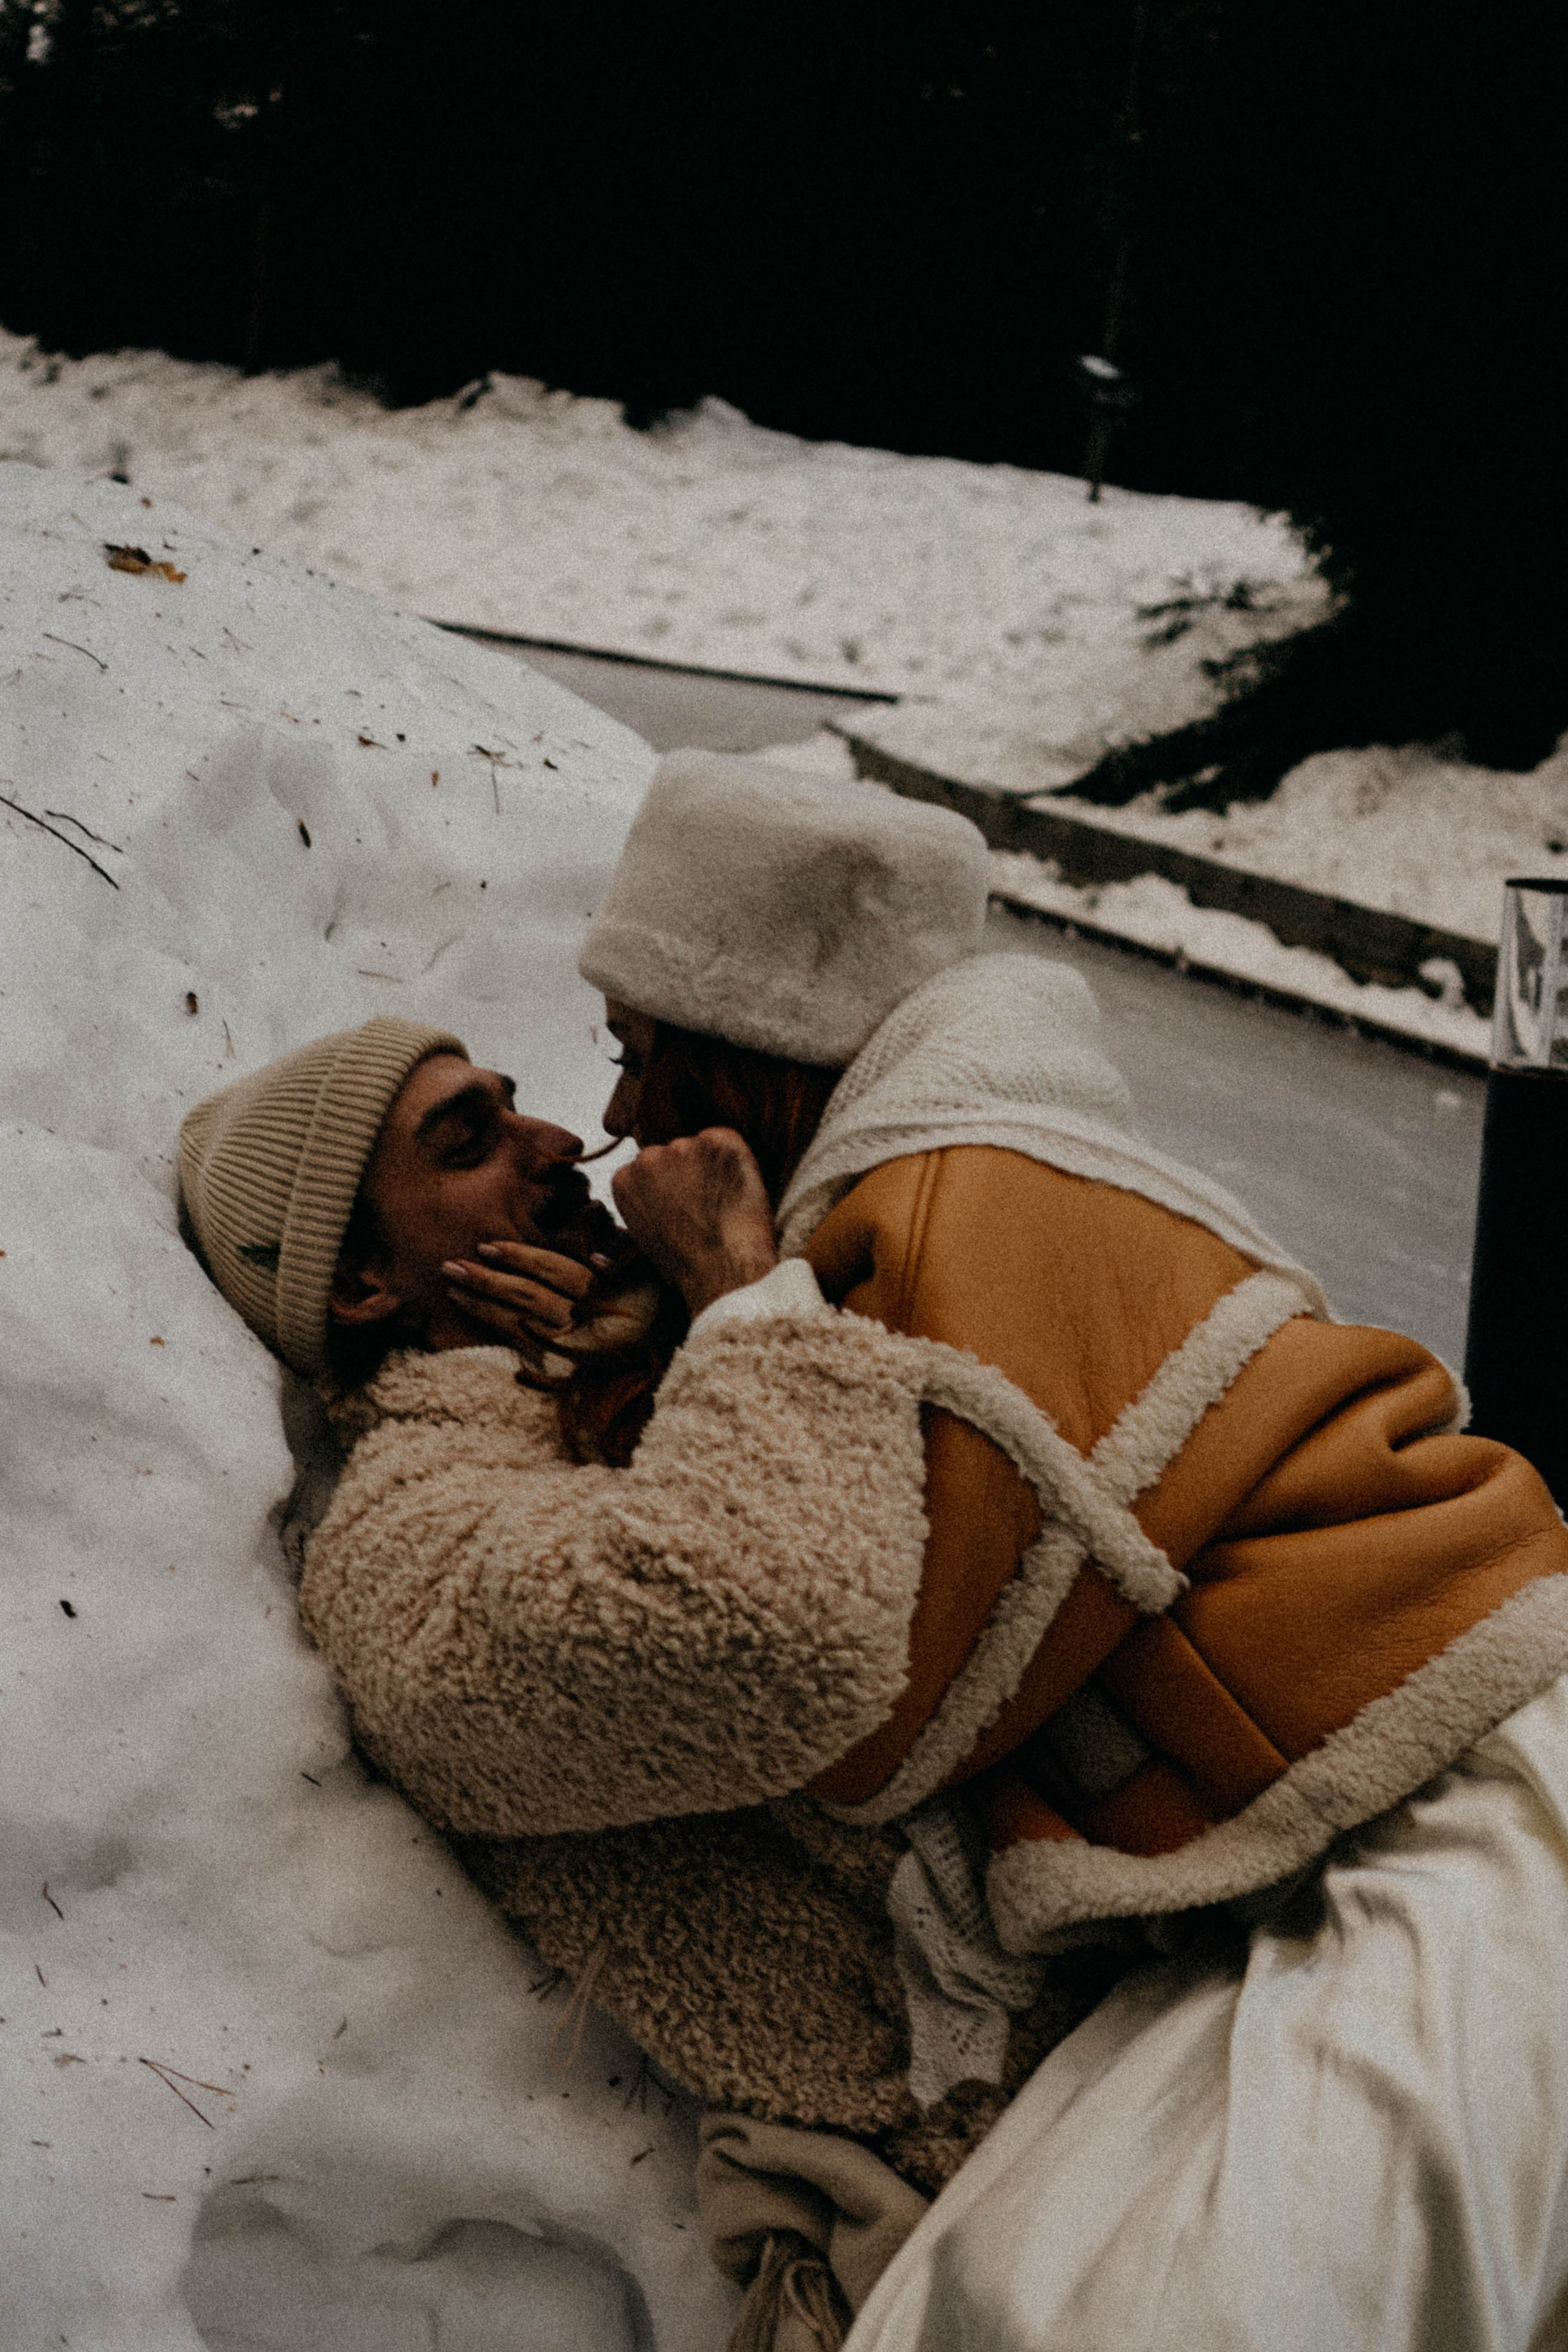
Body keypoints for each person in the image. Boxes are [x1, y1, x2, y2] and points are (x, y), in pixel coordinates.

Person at [179, 751, 1568, 2352]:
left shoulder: (849, 1259)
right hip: (989, 2117)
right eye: (471, 1135)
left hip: (1261, 1917)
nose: (579, 1129)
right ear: (361, 1288)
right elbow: (778, 1631)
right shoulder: (407, 1538)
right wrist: (743, 1304)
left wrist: (697, 1322)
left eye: (593, 1070)